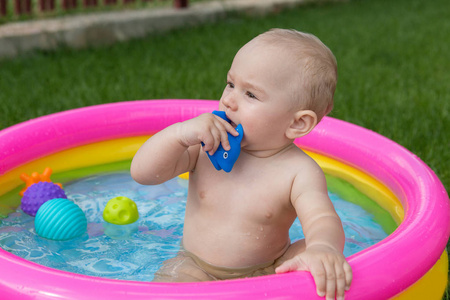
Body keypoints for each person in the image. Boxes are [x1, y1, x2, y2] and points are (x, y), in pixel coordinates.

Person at [131, 28, 352, 300]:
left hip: (269, 269)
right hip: (196, 267)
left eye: (251, 95)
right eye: (231, 84)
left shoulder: (298, 172)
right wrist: (179, 134)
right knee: (170, 287)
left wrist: (324, 248)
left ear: (297, 123)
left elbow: (322, 218)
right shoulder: (206, 146)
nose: (228, 100)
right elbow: (143, 173)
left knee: (313, 254)